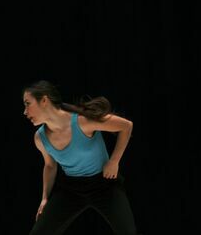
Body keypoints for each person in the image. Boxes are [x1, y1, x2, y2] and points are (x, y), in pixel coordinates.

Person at [22, 80, 137, 235]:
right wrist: (44, 198)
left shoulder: (83, 121)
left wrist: (114, 161)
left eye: (27, 103)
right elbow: (50, 166)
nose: (25, 111)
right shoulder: (40, 138)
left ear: (44, 100)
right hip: (72, 189)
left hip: (104, 185)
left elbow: (126, 126)